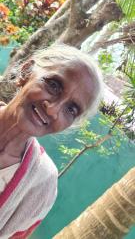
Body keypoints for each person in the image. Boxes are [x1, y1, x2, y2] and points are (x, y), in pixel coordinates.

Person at [0, 44, 103, 238]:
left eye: (71, 109)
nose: (52, 110)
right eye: (53, 85)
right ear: (25, 72)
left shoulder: (42, 183)